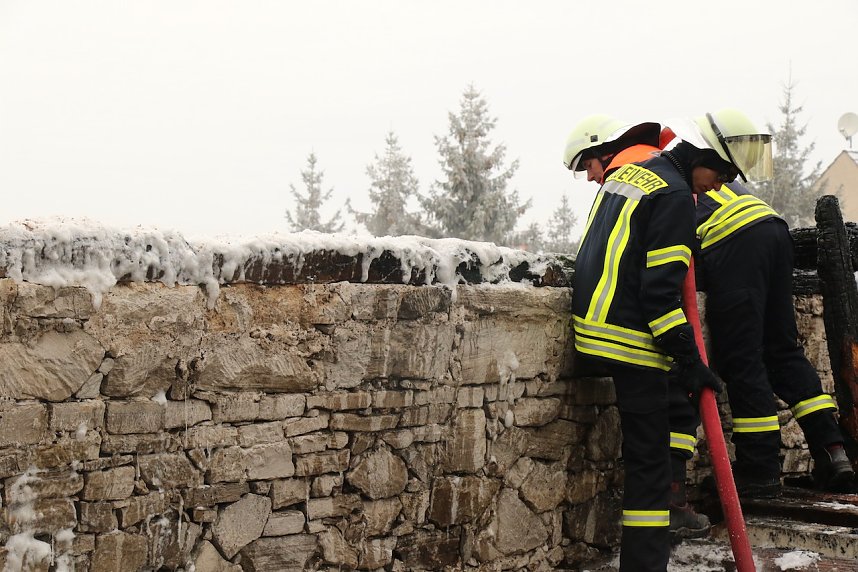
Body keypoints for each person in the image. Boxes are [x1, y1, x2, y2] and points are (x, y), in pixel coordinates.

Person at [563, 116, 740, 571]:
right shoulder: (676, 196)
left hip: (594, 323)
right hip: (629, 339)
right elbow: (660, 294)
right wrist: (689, 359)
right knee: (650, 465)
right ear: (702, 157)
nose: (721, 186)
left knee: (653, 449)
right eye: (722, 174)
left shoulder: (635, 173)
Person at [665, 110, 856, 497]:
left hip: (735, 243)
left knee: (742, 358)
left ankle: (759, 469)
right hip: (773, 231)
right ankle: (834, 452)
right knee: (783, 351)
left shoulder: (672, 177)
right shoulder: (703, 173)